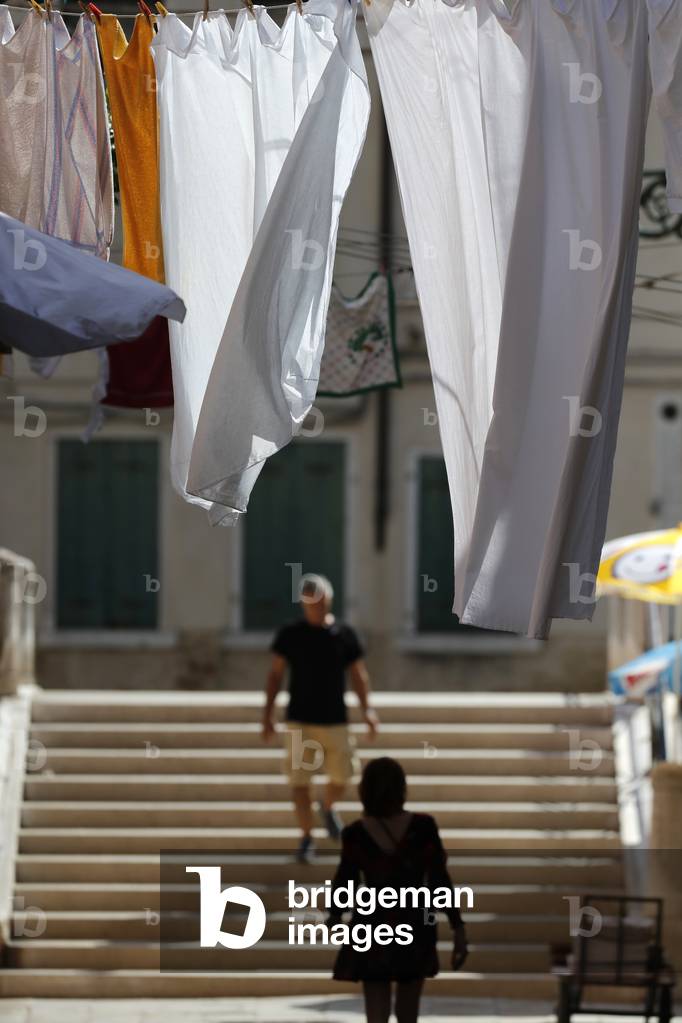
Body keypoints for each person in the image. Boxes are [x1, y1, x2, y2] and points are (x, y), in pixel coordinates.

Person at [328, 757, 469, 1023]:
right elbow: (439, 880)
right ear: (401, 788)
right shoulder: (423, 827)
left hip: (372, 922)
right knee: (408, 1010)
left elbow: (346, 880)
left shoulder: (356, 833)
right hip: (414, 920)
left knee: (376, 1008)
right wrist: (457, 926)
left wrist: (335, 916)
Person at [262, 573, 379, 863]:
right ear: (303, 604)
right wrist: (267, 714)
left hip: (335, 720)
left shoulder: (345, 634)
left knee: (343, 776)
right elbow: (276, 674)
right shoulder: (290, 635)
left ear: (330, 601)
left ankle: (327, 807)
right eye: (312, 605)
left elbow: (358, 675)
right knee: (300, 781)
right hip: (300, 719)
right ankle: (306, 837)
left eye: (322, 604)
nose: (318, 609)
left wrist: (368, 711)